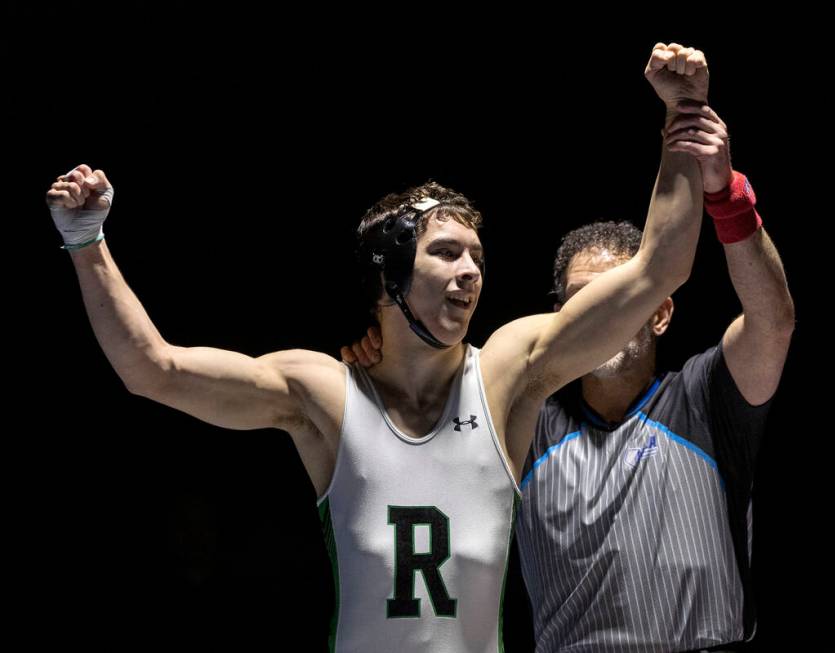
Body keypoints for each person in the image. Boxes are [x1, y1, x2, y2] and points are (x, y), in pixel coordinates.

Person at [47, 42, 708, 653]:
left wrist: (683, 115)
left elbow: (658, 271)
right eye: (447, 253)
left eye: (478, 255)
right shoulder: (325, 394)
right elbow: (152, 368)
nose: (471, 271)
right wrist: (86, 241)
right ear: (393, 278)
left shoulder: (510, 370)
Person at [346, 98, 795, 651]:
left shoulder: (707, 397)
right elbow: (416, 382)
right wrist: (376, 343)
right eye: (584, 306)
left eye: (621, 303)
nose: (604, 320)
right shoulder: (521, 415)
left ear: (657, 312)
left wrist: (726, 194)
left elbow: (773, 322)